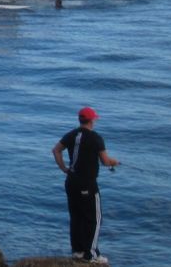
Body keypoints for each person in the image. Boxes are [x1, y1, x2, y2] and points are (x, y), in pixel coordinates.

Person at [52, 107, 119, 263]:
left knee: (76, 217)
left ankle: (78, 251)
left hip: (71, 181)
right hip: (87, 183)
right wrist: (114, 162)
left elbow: (56, 150)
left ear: (80, 120)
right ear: (92, 120)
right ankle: (91, 255)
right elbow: (105, 161)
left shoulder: (71, 135)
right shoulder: (96, 138)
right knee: (94, 219)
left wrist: (64, 168)